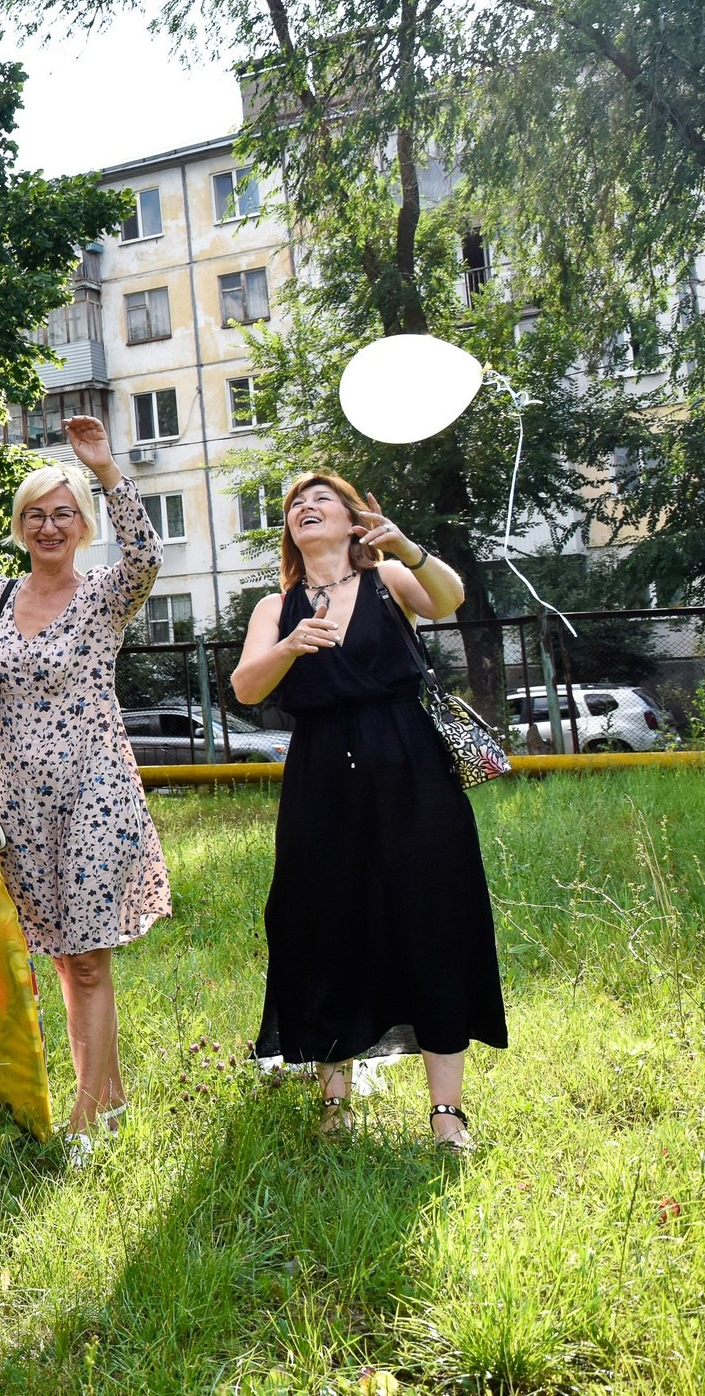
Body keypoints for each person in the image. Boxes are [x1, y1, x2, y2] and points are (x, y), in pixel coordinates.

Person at [229, 473, 503, 1151]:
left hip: (411, 768)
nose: (304, 508)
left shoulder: (388, 579)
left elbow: (450, 597)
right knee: (324, 923)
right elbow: (243, 685)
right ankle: (336, 1101)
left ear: (355, 521)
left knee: (431, 919)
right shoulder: (278, 605)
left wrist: (406, 547)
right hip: (321, 776)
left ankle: (447, 1114)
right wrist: (290, 646)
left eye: (320, 499)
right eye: (295, 504)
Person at [0, 415, 167, 1155]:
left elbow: (146, 556)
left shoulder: (105, 595)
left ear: (83, 525)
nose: (49, 525)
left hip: (96, 785)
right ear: (20, 526)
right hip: (21, 795)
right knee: (57, 951)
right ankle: (107, 1094)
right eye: (35, 514)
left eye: (63, 513)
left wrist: (107, 471)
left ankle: (88, 1116)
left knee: (87, 952)